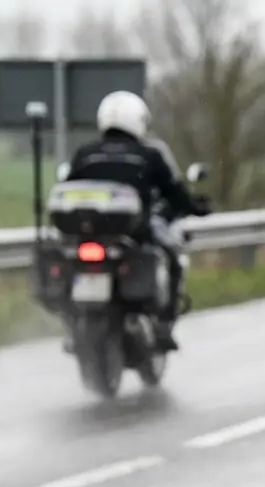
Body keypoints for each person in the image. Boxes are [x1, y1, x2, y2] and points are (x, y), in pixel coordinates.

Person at [65, 90, 211, 352]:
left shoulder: (85, 154)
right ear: (138, 120)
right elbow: (173, 192)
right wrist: (195, 207)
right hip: (134, 234)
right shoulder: (148, 155)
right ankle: (164, 327)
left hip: (89, 235)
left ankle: (72, 327)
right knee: (173, 260)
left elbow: (68, 189)